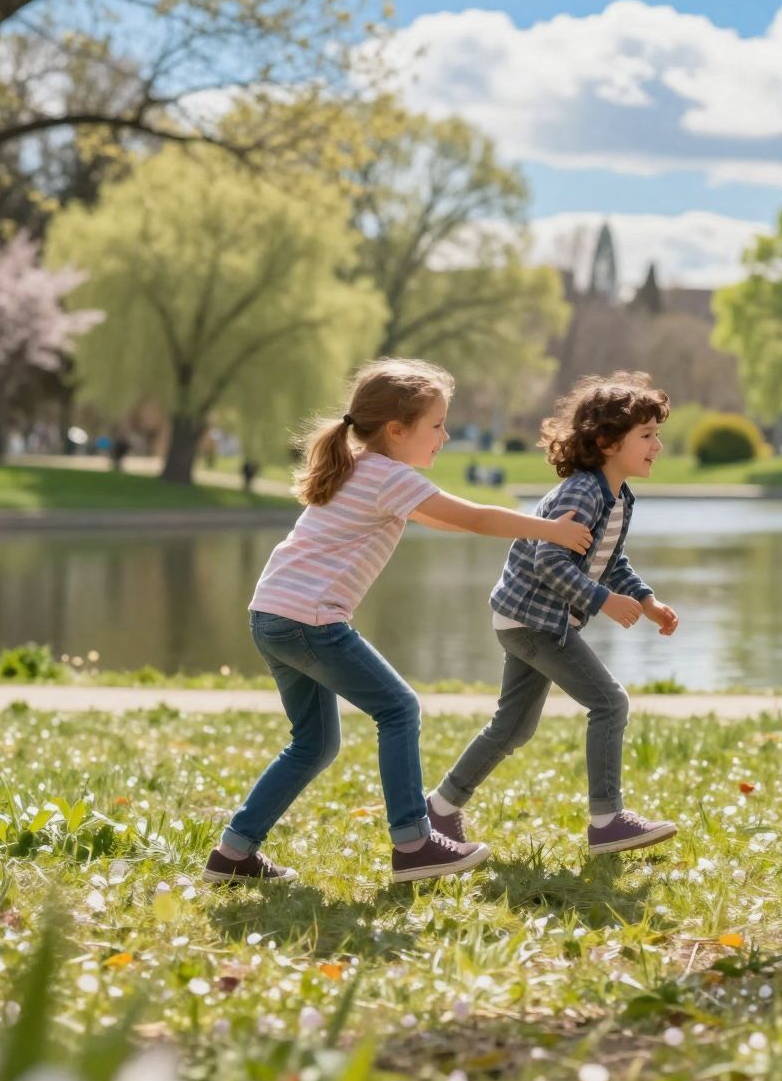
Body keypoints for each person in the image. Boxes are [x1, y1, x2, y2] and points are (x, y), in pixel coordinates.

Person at [204, 358, 595, 888]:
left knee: (313, 744)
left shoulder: (360, 468)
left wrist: (532, 530)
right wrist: (547, 530)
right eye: (435, 425)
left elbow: (449, 521)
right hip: (310, 621)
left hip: (272, 616)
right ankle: (413, 844)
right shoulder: (387, 475)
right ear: (396, 430)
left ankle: (233, 853)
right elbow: (474, 517)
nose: (445, 435)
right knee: (399, 707)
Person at [429, 373, 682, 859]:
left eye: (656, 434)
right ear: (607, 442)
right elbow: (550, 561)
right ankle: (607, 820)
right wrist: (602, 601)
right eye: (646, 436)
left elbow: (610, 562)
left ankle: (439, 809)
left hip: (528, 621)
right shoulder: (582, 493)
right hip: (535, 620)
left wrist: (646, 601)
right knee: (610, 703)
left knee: (513, 727)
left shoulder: (619, 497)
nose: (658, 445)